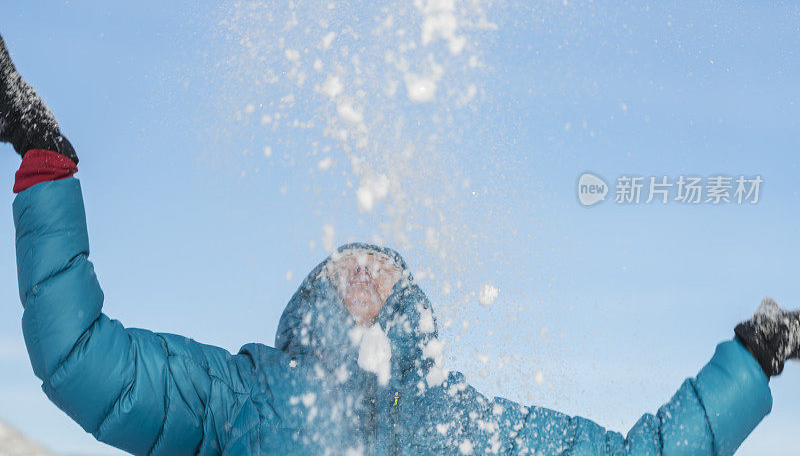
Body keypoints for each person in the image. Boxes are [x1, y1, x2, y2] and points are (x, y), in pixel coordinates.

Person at [1, 32, 798, 456]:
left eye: (385, 271)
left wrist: (750, 361)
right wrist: (46, 162)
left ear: (405, 305)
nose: (365, 274)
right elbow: (80, 362)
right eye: (346, 265)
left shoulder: (466, 426)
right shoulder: (241, 395)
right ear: (316, 291)